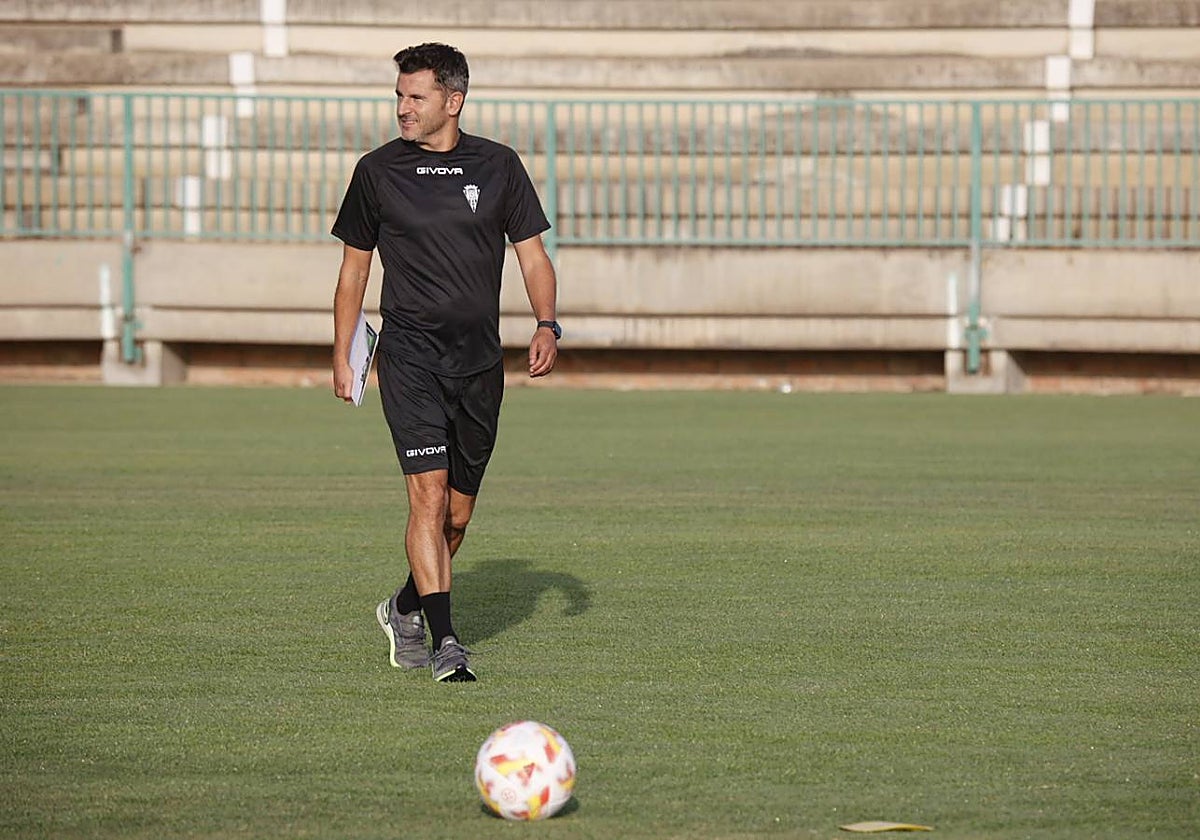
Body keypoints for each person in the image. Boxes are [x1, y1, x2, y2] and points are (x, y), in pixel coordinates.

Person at [330, 42, 560, 682]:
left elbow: (533, 256)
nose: (403, 108)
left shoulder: (500, 165)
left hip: (480, 366)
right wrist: (343, 353)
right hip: (408, 360)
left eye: (416, 97)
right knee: (427, 500)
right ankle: (447, 643)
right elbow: (353, 272)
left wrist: (546, 323)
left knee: (457, 516)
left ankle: (404, 605)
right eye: (399, 96)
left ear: (452, 101)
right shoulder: (377, 172)